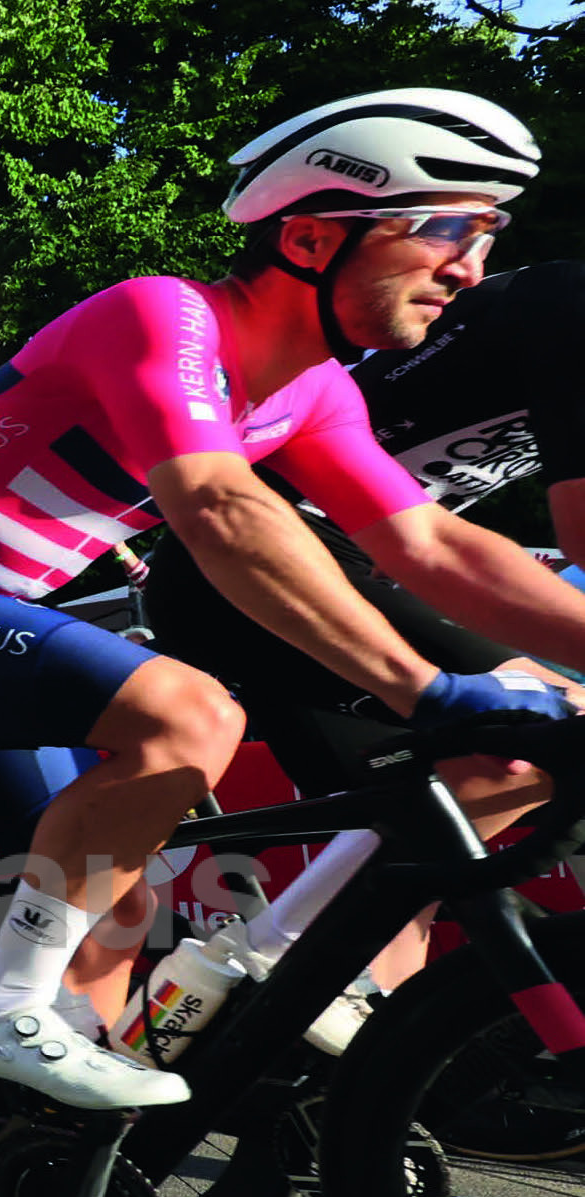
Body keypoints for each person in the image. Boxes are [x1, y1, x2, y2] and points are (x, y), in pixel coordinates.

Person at [0, 87, 585, 1130]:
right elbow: (219, 507)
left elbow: (432, 545)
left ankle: (68, 1161)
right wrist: (424, 689)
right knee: (190, 715)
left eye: (488, 235)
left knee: (119, 898)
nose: (470, 269)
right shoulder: (161, 314)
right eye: (446, 229)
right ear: (309, 236)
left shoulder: (314, 395)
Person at [145, 249, 585, 998]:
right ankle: (265, 957)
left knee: (417, 854)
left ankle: (289, 1031)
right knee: (541, 732)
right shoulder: (570, 299)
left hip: (312, 568)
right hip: (265, 560)